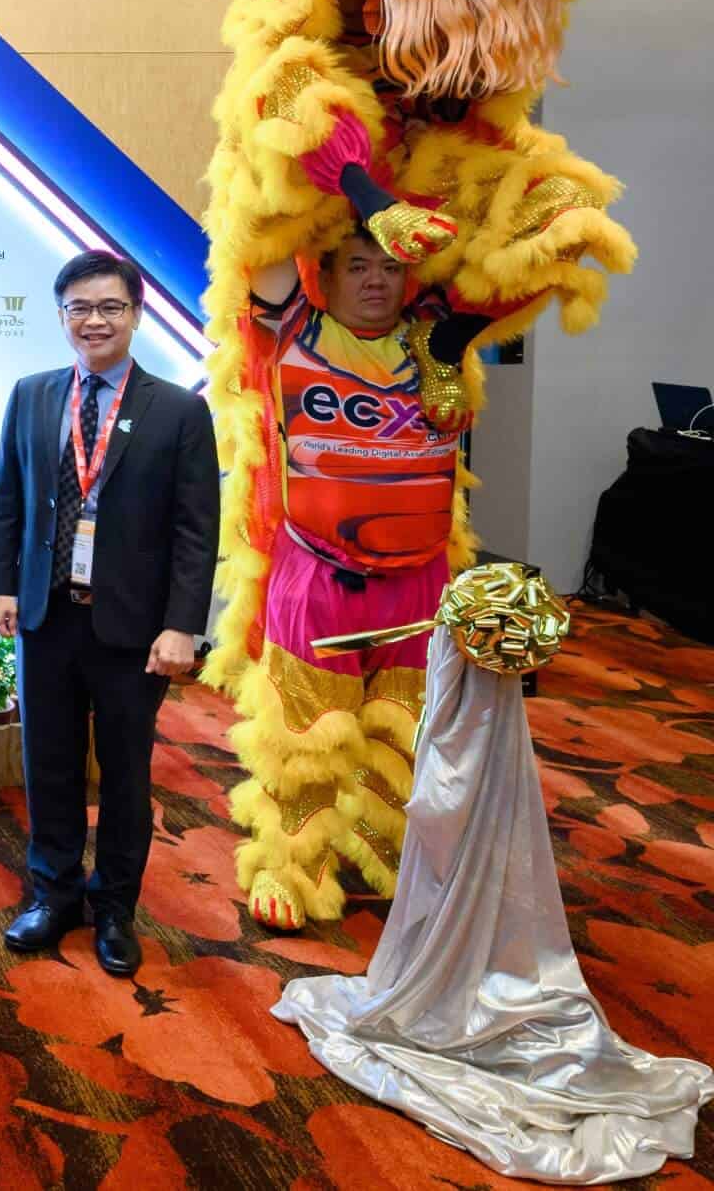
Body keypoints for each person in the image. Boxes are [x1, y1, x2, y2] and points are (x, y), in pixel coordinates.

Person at [227, 229, 479, 930]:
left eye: (391, 266)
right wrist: (336, 165)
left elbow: (510, 264)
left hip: (419, 577)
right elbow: (268, 219)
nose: (376, 280)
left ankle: (380, 850)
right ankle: (293, 864)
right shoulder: (293, 327)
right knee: (305, 727)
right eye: (359, 266)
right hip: (319, 571)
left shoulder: (439, 341)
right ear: (325, 277)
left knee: (406, 723)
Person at [0, 251, 218, 976]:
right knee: (48, 764)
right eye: (80, 308)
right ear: (61, 317)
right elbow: (9, 498)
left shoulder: (177, 408)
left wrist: (182, 623)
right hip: (48, 614)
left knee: (123, 772)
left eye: (110, 307)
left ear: (136, 313)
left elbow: (194, 528)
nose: (94, 320)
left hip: (133, 625)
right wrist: (1, 584)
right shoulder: (30, 394)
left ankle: (114, 905)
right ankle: (53, 894)